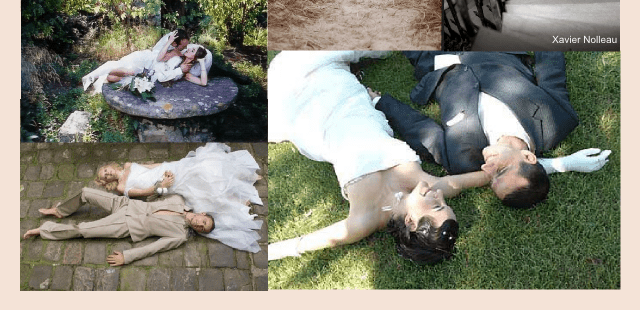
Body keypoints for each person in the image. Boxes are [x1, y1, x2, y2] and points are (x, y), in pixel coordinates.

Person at [268, 51, 490, 263]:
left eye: (438, 206)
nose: (440, 195)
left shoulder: (366, 219)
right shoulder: (426, 185)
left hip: (311, 115)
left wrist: (271, 252)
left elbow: (307, 242)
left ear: (411, 222)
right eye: (445, 203)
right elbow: (472, 180)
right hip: (346, 94)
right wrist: (503, 166)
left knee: (296, 64)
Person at [374, 52, 611, 208]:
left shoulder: (462, 160)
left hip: (437, 61)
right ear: (529, 157)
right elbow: (552, 72)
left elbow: (423, 132)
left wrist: (381, 102)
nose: (487, 168)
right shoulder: (556, 120)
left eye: (490, 177)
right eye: (500, 171)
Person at [95, 142, 263, 253]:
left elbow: (148, 167)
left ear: (109, 166)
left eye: (106, 170)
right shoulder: (121, 187)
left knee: (202, 166)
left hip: (167, 170)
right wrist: (162, 185)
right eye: (105, 176)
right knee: (198, 186)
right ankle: (235, 200)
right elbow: (145, 193)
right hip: (163, 184)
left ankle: (243, 177)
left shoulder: (128, 165)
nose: (108, 173)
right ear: (107, 181)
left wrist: (168, 166)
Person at [23, 187, 214, 266]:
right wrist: (159, 185)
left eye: (203, 229)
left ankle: (45, 230)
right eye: (203, 222)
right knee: (85, 192)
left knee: (84, 230)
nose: (200, 225)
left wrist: (127, 256)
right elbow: (152, 197)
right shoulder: (178, 199)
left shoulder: (180, 236)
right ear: (202, 214)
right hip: (126, 204)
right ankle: (60, 211)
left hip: (126, 225)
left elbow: (154, 248)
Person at [81, 29, 211, 92]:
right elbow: (160, 60)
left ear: (193, 58)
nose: (189, 48)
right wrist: (170, 45)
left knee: (112, 78)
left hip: (149, 74)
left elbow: (203, 82)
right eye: (187, 46)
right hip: (147, 65)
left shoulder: (185, 71)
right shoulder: (178, 54)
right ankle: (90, 77)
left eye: (192, 50)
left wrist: (200, 63)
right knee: (126, 69)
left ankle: (101, 75)